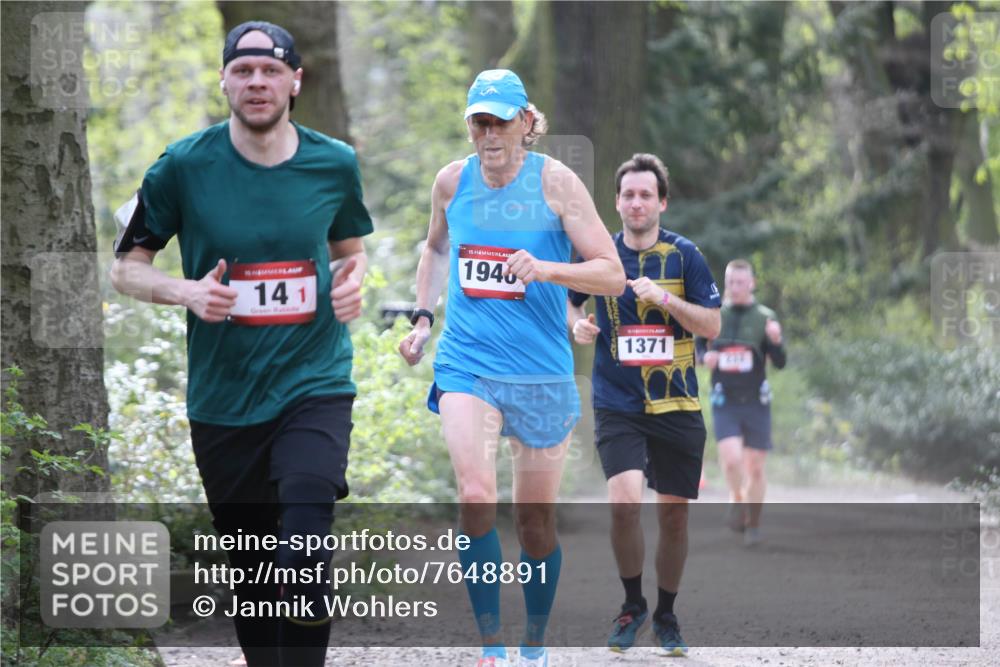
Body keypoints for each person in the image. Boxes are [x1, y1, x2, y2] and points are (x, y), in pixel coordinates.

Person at [110, 21, 372, 667]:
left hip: (315, 380)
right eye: (244, 70)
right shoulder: (181, 166)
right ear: (224, 79)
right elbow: (126, 268)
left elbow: (352, 252)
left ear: (295, 81)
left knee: (305, 542)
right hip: (224, 397)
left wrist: (353, 284)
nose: (258, 82)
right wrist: (187, 292)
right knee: (253, 569)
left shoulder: (333, 162)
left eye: (271, 70)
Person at [398, 69, 624, 667]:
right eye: (479, 121)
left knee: (534, 523)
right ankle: (492, 648)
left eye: (500, 120)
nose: (489, 132)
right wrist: (423, 318)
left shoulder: (559, 184)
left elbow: (612, 272)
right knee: (475, 495)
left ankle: (534, 643)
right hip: (467, 364)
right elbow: (437, 247)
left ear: (527, 121)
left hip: (542, 373)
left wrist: (548, 270)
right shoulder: (452, 182)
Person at [568, 153, 721, 656]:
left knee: (674, 517)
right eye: (628, 195)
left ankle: (667, 614)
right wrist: (578, 325)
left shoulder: (685, 256)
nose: (636, 203)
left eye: (646, 195)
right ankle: (632, 605)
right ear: (617, 202)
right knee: (625, 502)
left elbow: (712, 326)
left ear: (662, 202)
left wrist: (667, 301)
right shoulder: (600, 256)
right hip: (618, 400)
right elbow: (569, 301)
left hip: (677, 401)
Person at [697, 259, 786, 546]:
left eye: (740, 282)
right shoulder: (715, 314)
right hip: (725, 399)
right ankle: (737, 498)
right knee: (733, 460)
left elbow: (781, 361)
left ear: (752, 283)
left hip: (756, 401)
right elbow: (699, 346)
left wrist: (776, 341)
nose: (735, 288)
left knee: (756, 467)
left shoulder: (764, 316)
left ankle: (754, 524)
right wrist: (704, 357)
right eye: (730, 282)